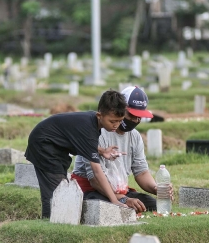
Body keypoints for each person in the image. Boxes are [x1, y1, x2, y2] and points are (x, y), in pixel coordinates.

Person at [24, 90, 127, 219]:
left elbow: (84, 142)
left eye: (120, 121)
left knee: (60, 187)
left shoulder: (93, 122)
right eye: (112, 121)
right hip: (43, 145)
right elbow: (97, 170)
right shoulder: (89, 127)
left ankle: (54, 219)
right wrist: (114, 200)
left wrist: (102, 151)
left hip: (56, 147)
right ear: (99, 115)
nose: (116, 125)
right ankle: (49, 222)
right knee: (56, 190)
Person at [72, 86, 173, 213]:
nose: (136, 120)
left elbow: (141, 172)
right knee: (106, 208)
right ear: (120, 109)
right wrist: (123, 200)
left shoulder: (135, 136)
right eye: (132, 115)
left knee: (152, 205)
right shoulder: (97, 132)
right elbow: (95, 179)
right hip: (92, 190)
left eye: (139, 117)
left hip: (118, 191)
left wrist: (156, 189)